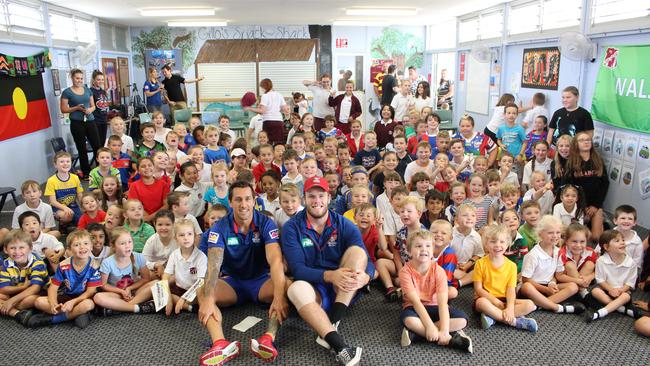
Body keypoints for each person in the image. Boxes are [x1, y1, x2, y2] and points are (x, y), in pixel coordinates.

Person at [282, 176, 374, 365]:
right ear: (304, 198)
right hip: (315, 289)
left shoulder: (344, 223)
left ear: (329, 197)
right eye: (311, 196)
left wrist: (367, 276)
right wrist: (331, 276)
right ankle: (339, 346)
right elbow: (298, 270)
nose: (317, 201)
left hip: (344, 289)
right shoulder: (291, 227)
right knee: (295, 288)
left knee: (357, 251)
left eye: (321, 196)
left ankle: (333, 322)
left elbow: (365, 257)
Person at [198, 181, 288, 365]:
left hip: (261, 282)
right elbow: (214, 266)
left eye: (248, 199)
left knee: (286, 286)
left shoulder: (266, 223)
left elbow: (275, 260)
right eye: (238, 199)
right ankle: (220, 344)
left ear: (254, 200)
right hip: (233, 283)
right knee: (203, 291)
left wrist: (279, 296)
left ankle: (268, 338)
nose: (243, 204)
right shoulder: (220, 227)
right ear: (230, 202)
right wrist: (207, 299)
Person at [399, 229, 472, 352]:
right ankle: (450, 340)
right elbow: (416, 302)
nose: (424, 249)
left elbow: (443, 303)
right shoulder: (405, 272)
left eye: (428, 246)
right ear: (409, 251)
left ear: (433, 251)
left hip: (436, 306)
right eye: (418, 246)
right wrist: (430, 327)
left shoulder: (439, 271)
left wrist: (443, 330)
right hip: (415, 307)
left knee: (463, 320)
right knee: (409, 320)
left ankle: (418, 335)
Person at [27, 230, 101, 328]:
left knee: (88, 305)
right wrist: (54, 304)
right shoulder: (63, 265)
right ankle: (77, 314)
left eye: (86, 243)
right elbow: (53, 288)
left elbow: (90, 292)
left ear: (91, 246)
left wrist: (73, 302)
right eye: (77, 245)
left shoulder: (94, 265)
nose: (82, 247)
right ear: (69, 249)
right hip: (66, 296)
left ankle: (54, 319)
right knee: (38, 302)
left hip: (84, 298)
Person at [473, 224, 538, 332]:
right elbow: (478, 289)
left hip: (504, 300)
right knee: (481, 303)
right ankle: (515, 322)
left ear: (508, 244)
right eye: (493, 241)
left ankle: (493, 317)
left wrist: (510, 308)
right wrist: (494, 300)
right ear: (486, 244)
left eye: (502, 242)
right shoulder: (480, 263)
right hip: (487, 299)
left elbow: (511, 290)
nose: (497, 245)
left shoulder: (512, 266)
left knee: (530, 305)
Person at [519, 215, 584, 314]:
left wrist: (552, 283)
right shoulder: (533, 255)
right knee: (526, 286)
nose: (555, 236)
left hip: (548, 286)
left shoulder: (558, 252)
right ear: (541, 234)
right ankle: (557, 307)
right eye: (550, 233)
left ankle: (539, 305)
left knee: (573, 286)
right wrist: (545, 289)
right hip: (534, 287)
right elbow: (525, 279)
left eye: (558, 232)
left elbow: (557, 275)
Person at [93, 228, 156, 316]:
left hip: (135, 291)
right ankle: (137, 308)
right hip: (117, 294)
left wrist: (130, 288)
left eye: (129, 242)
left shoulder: (139, 257)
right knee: (98, 297)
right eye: (122, 243)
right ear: (113, 245)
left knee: (157, 283)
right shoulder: (107, 262)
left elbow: (146, 279)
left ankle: (120, 308)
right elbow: (103, 285)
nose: (127, 246)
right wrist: (121, 292)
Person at [585, 230, 639, 322]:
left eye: (622, 240)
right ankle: (620, 309)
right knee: (595, 291)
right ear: (606, 247)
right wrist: (610, 289)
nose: (622, 242)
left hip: (622, 293)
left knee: (626, 296)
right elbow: (600, 280)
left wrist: (621, 290)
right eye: (617, 241)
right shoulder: (601, 261)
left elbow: (630, 283)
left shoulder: (631, 263)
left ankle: (599, 313)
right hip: (606, 290)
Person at [564, 131, 608, 241]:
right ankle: (588, 224)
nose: (586, 142)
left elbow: (605, 184)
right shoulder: (571, 162)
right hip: (578, 204)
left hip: (595, 204)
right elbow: (567, 186)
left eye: (588, 140)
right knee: (581, 236)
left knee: (597, 237)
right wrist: (581, 206)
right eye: (582, 140)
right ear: (576, 144)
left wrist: (596, 205)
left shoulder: (598, 160)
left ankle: (600, 222)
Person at [0, 230, 48, 326]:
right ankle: (17, 313)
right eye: (12, 248)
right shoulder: (5, 264)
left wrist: (11, 301)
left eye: (21, 247)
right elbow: (3, 288)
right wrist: (23, 287)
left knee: (31, 299)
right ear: (5, 249)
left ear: (30, 248)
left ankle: (9, 307)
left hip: (36, 293)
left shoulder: (37, 263)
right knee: (2, 296)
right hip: (18, 292)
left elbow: (35, 288)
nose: (17, 252)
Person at [60, 68, 100, 178]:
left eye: (81, 78)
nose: (79, 80)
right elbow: (63, 109)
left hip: (90, 121)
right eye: (77, 78)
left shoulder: (87, 90)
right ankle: (86, 173)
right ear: (72, 78)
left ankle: (100, 170)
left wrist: (89, 110)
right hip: (77, 123)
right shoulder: (67, 92)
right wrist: (76, 108)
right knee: (82, 148)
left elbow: (93, 106)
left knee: (97, 146)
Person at [163, 219, 207, 316]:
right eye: (181, 235)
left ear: (195, 236)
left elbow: (200, 282)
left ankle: (185, 305)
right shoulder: (174, 255)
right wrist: (168, 298)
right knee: (156, 287)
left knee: (202, 296)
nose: (186, 238)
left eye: (189, 234)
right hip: (179, 289)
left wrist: (184, 298)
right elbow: (165, 276)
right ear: (176, 238)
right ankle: (187, 307)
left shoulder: (201, 257)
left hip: (195, 292)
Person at [244, 79, 288, 145]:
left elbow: (262, 111)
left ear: (264, 87)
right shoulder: (279, 95)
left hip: (269, 121)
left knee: (267, 143)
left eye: (261, 88)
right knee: (279, 143)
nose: (262, 90)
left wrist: (249, 108)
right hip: (279, 121)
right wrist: (275, 109)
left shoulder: (265, 96)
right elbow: (285, 109)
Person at [90, 70, 110, 144]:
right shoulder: (90, 91)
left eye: (102, 79)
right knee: (97, 143)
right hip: (95, 121)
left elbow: (105, 106)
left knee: (103, 142)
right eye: (98, 79)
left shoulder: (103, 91)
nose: (100, 81)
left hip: (104, 120)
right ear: (94, 80)